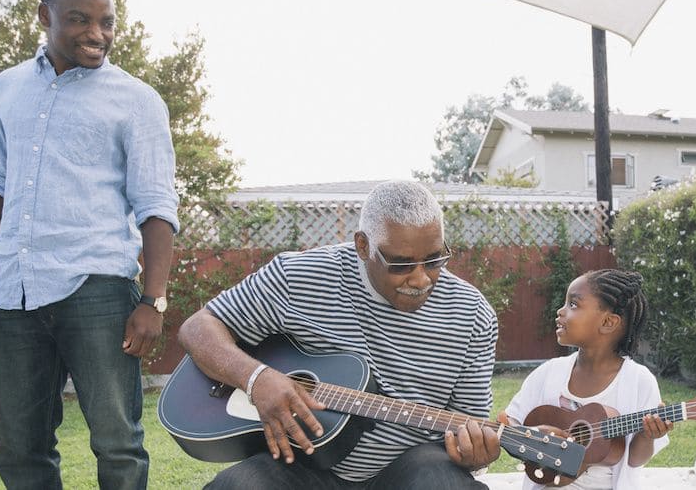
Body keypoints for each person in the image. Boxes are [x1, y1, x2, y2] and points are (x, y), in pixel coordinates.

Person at [0, 0, 179, 488]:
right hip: (14, 293)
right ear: (44, 15)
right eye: (80, 19)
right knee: (21, 450)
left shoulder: (137, 100)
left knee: (117, 444)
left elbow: (157, 206)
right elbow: (0, 180)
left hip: (97, 287)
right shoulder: (8, 87)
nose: (96, 34)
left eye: (107, 22)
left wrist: (154, 301)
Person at [177, 180, 500, 489]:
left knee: (444, 482)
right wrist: (256, 378)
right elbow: (198, 328)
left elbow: (467, 429)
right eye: (400, 265)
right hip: (302, 466)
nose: (420, 280)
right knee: (241, 485)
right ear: (363, 245)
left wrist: (474, 454)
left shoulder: (473, 315)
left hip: (409, 470)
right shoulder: (299, 276)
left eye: (434, 260)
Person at [502, 269, 671, 490]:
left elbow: (635, 460)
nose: (560, 311)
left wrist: (648, 436)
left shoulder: (638, 381)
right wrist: (533, 437)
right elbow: (508, 421)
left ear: (608, 322)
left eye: (573, 304)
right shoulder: (549, 373)